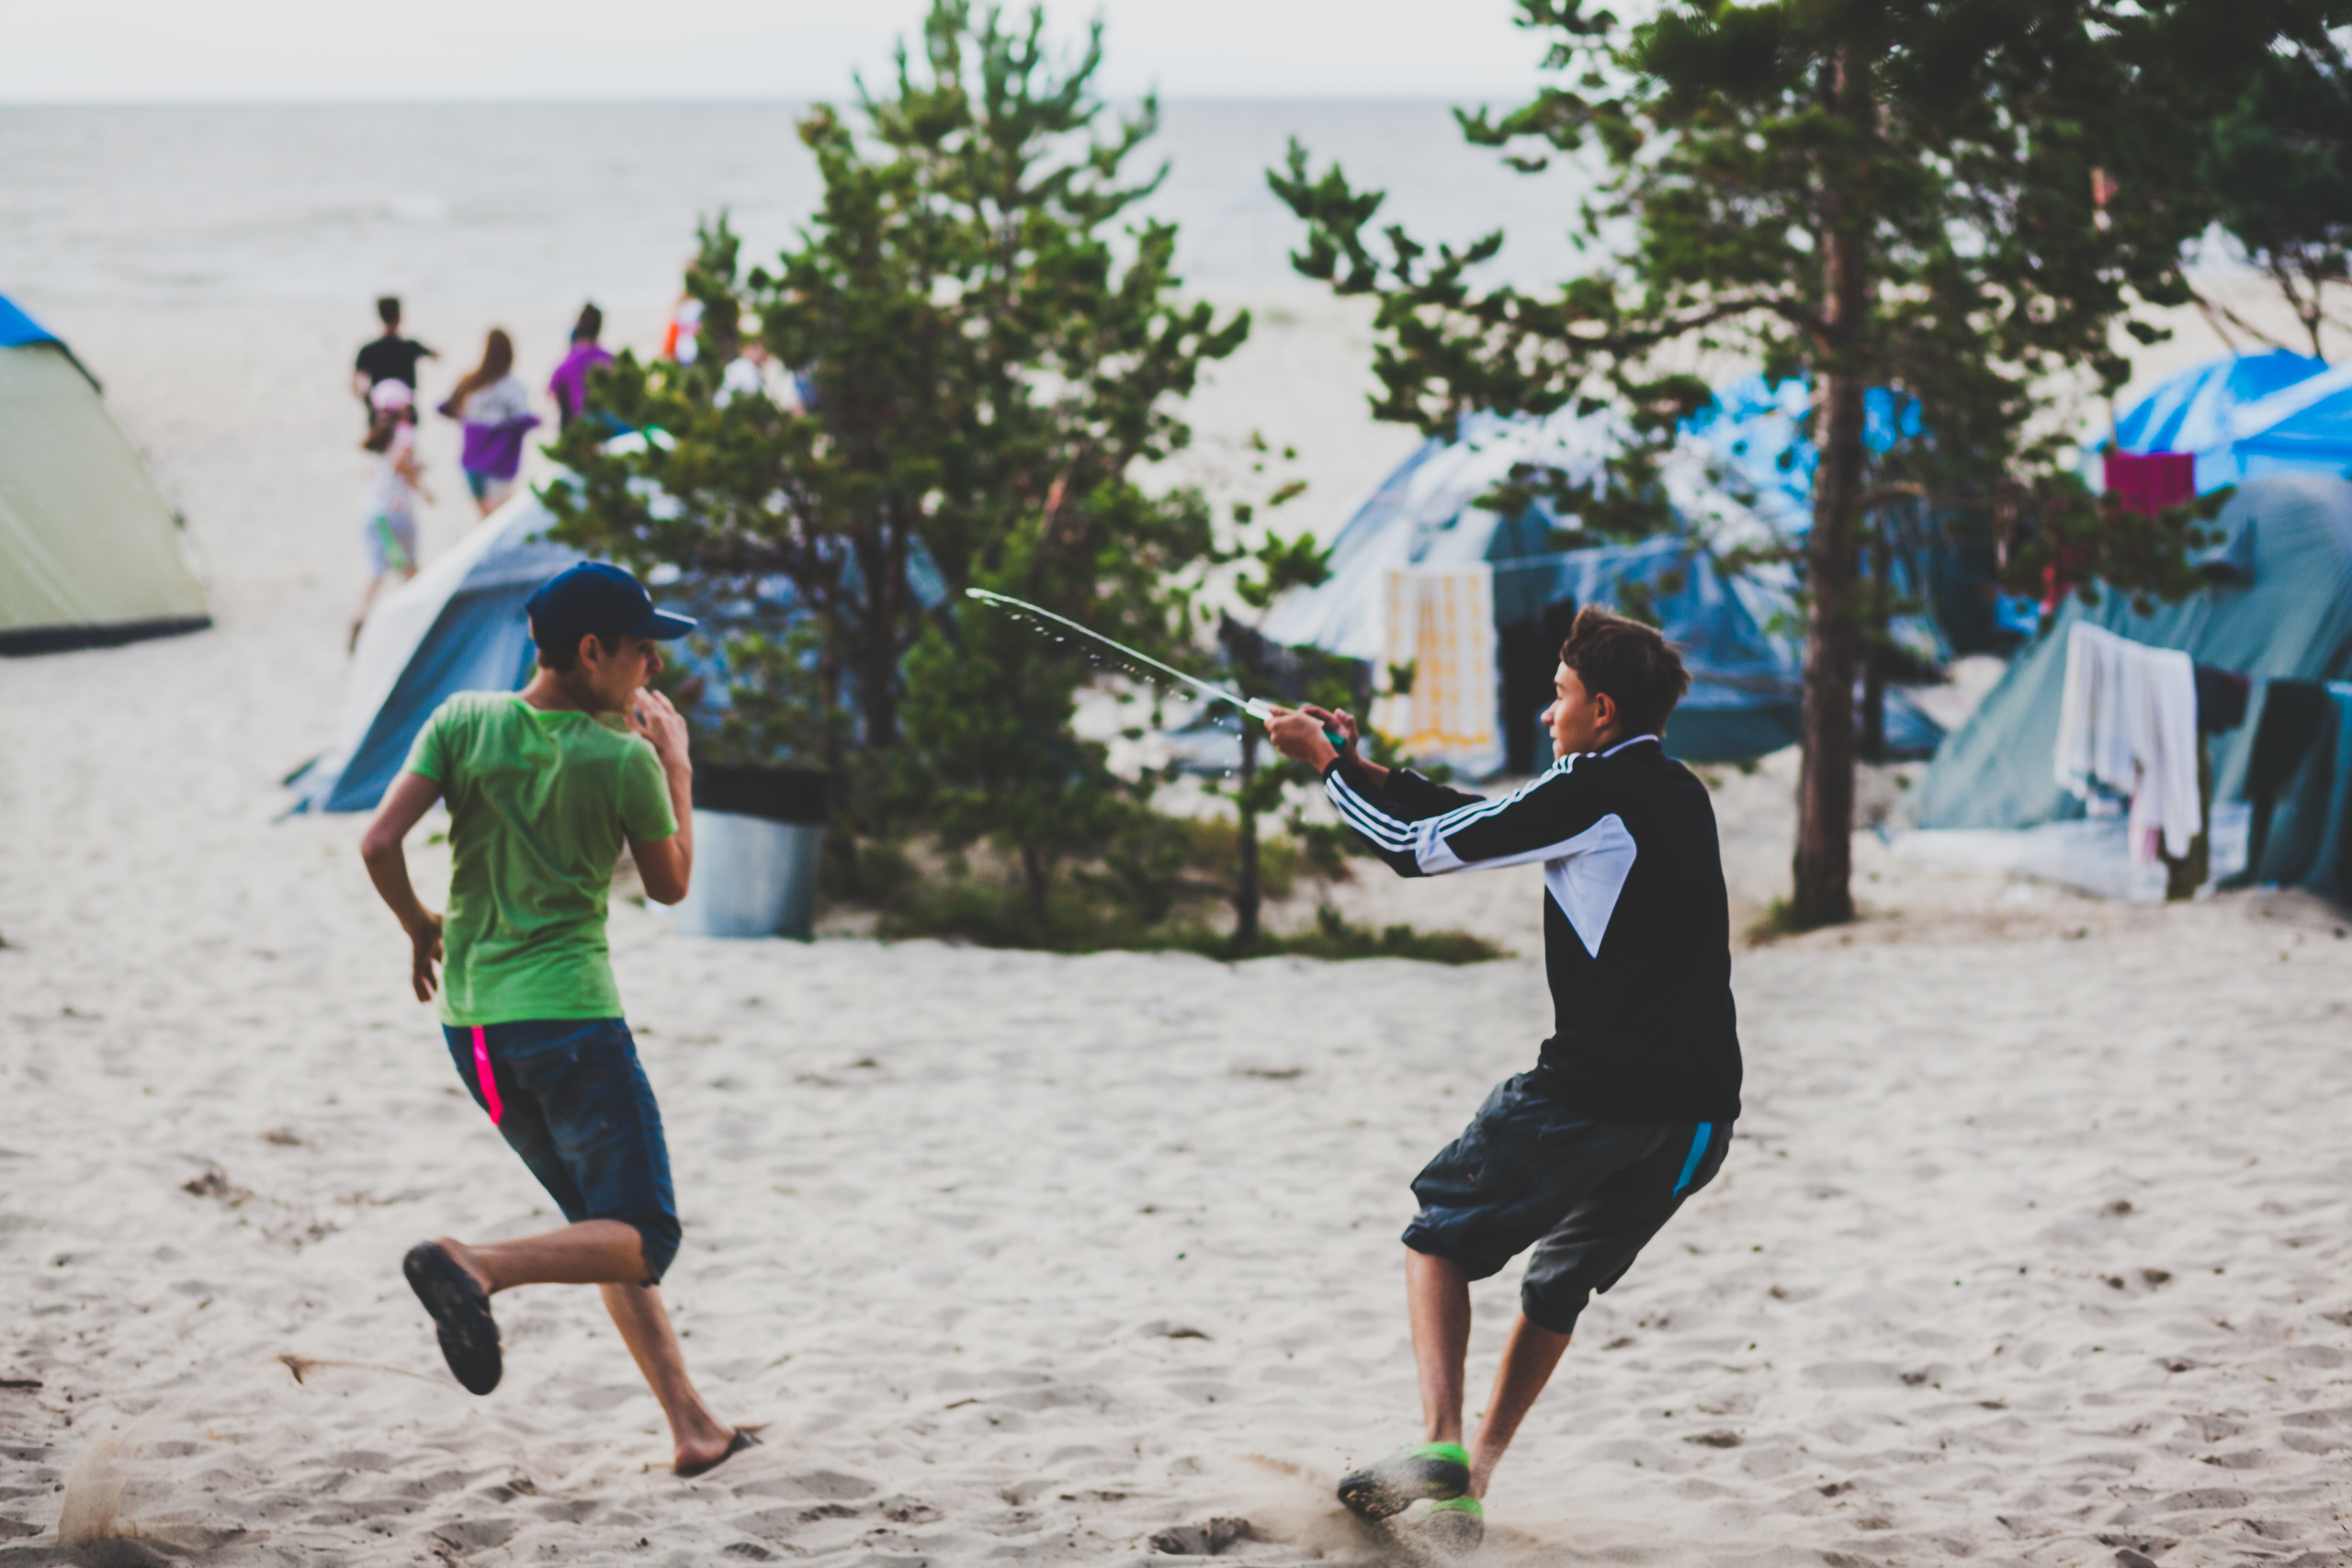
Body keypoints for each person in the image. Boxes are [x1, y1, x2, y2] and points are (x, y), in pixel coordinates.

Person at [1263, 607, 1741, 1556]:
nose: (1545, 714)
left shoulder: (1592, 793)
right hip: (1698, 1119)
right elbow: (1484, 820)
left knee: (1435, 1236)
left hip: (1593, 1097)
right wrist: (1362, 767)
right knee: (1555, 1287)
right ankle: (1471, 1486)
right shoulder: (1676, 790)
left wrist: (1321, 768)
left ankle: (1440, 1445)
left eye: (1558, 697)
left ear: (1601, 710)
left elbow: (1414, 850)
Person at [356, 562, 753, 1478]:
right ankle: (475, 1263)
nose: (652, 666)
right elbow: (670, 885)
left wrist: (419, 925)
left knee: (595, 1228)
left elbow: (378, 842)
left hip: (475, 1032)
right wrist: (677, 768)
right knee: (644, 1236)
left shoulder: (462, 720)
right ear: (591, 651)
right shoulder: (623, 759)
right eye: (643, 649)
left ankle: (692, 1426)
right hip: (572, 1023)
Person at [352, 380, 431, 649]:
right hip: (397, 512)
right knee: (410, 570)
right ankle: (414, 626)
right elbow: (399, 463)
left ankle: (359, 618)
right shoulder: (405, 434)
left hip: (372, 511)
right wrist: (423, 489)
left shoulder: (375, 435)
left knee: (376, 570)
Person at [437, 328, 541, 517]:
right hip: (498, 465)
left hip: (469, 465)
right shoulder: (512, 387)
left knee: (484, 520)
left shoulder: (470, 382)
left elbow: (445, 408)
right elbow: (524, 420)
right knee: (496, 522)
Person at [353, 297, 435, 426]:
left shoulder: (368, 350)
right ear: (400, 316)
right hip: (406, 410)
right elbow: (436, 355)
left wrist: (368, 403)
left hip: (380, 410)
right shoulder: (410, 346)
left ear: (379, 316)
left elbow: (356, 382)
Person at [548, 302, 614, 433]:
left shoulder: (567, 362)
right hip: (606, 428)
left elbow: (553, 395)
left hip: (577, 429)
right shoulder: (610, 360)